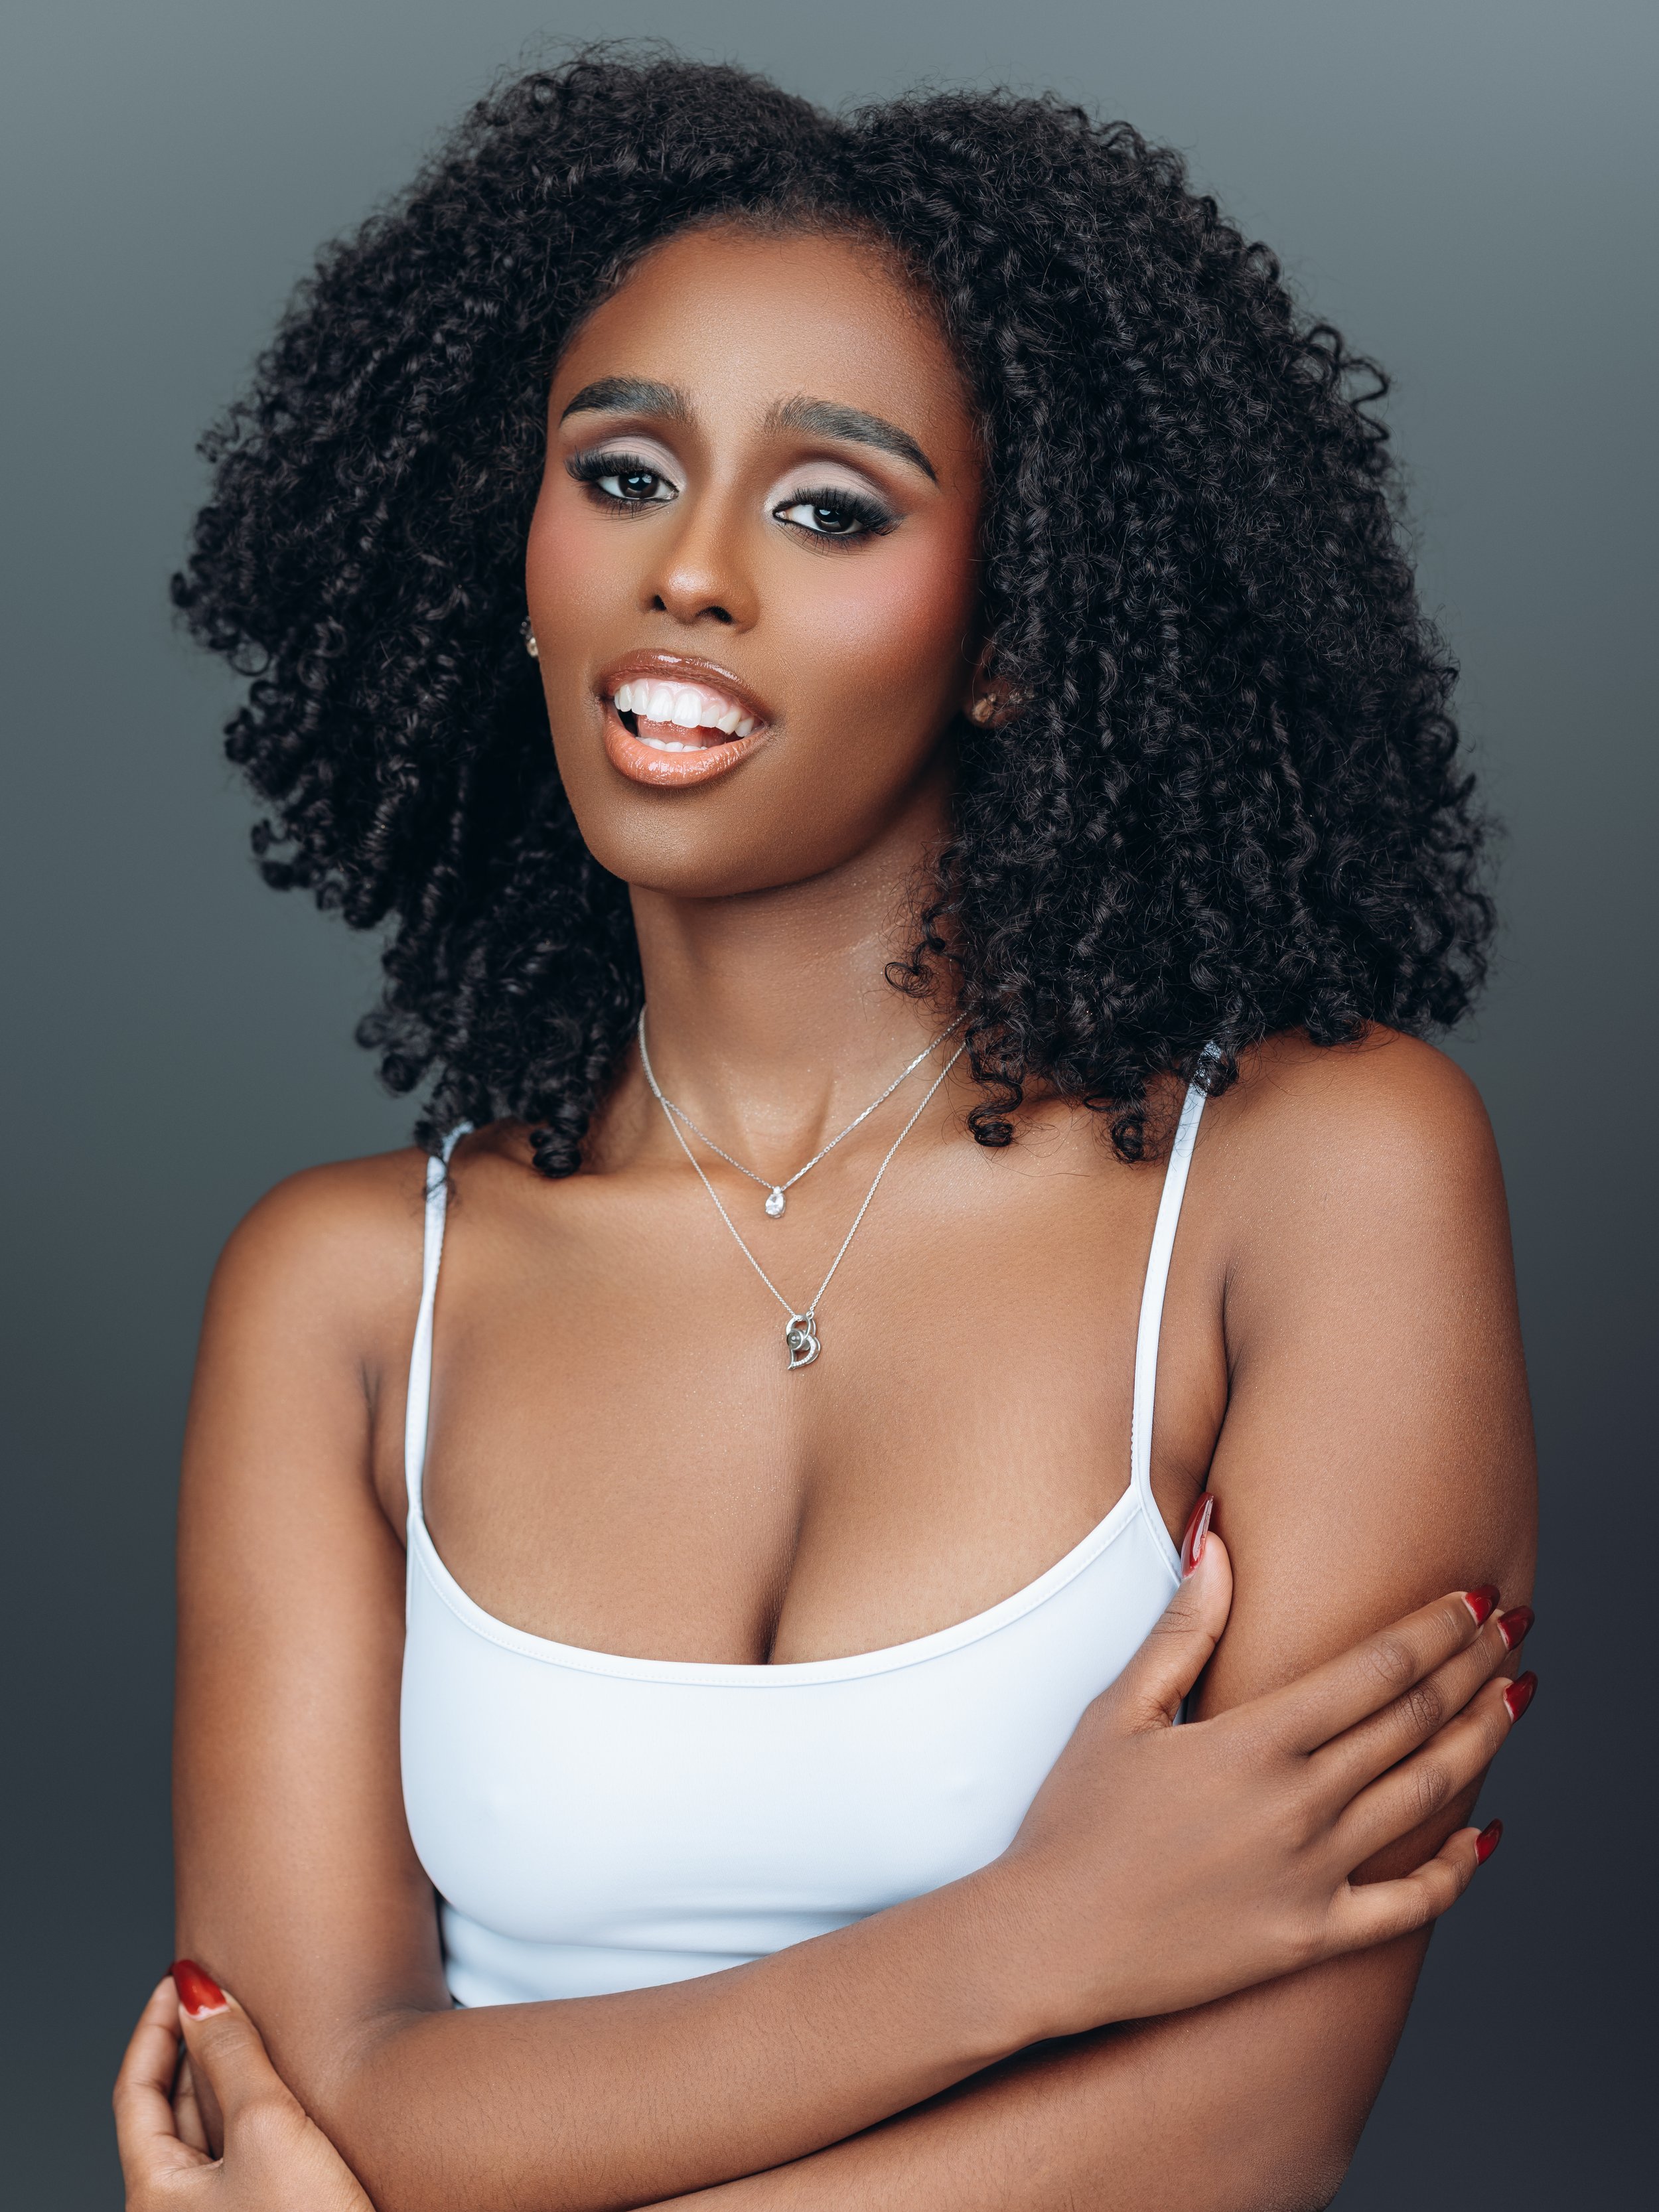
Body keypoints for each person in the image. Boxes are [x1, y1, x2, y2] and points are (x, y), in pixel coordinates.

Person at [119, 54, 1536, 2212]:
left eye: (830, 509)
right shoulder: (341, 1291)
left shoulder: (1315, 1179)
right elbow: (322, 2097)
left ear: (1013, 639)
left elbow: (1238, 2131)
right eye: (617, 474)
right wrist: (1024, 1944)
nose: (686, 575)